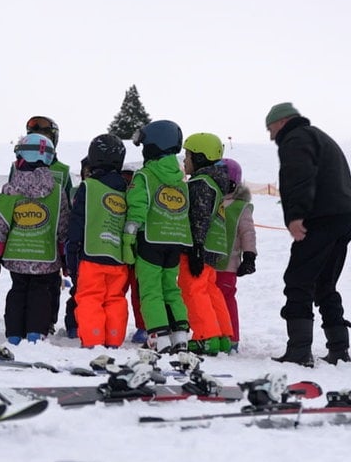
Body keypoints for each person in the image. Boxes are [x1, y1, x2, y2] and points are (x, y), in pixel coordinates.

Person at [265, 102, 351, 366]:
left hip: (321, 218)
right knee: (324, 283)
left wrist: (296, 215)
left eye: (271, 128)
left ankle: (299, 350)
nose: (271, 135)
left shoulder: (296, 138)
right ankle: (339, 348)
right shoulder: (318, 136)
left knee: (298, 279)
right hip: (344, 216)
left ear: (283, 122)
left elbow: (298, 176)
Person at [0, 133, 69, 344]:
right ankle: (36, 332)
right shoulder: (57, 191)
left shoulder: (10, 190)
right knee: (41, 292)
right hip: (45, 254)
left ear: (21, 158)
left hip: (17, 254)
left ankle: (14, 333)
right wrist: (64, 253)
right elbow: (62, 225)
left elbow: (1, 223)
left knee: (18, 290)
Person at [123, 120, 192, 352]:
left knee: (150, 290)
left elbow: (137, 208)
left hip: (150, 241)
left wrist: (128, 238)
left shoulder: (145, 176)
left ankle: (158, 337)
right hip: (174, 242)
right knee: (171, 289)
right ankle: (180, 336)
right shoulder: (181, 181)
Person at [66, 135, 130, 348]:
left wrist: (72, 252)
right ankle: (114, 338)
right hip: (118, 256)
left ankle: (93, 338)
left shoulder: (89, 187)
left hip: (90, 253)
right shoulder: (127, 190)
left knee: (90, 297)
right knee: (115, 298)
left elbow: (77, 222)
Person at [21, 116, 78, 338]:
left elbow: (69, 204)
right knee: (22, 282)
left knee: (51, 283)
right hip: (24, 235)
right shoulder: (17, 168)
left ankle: (46, 321)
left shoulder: (62, 170)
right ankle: (24, 320)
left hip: (52, 235)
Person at [178, 133, 235, 355]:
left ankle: (205, 335)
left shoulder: (200, 183)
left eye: (188, 155)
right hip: (215, 245)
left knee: (192, 289)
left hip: (199, 245)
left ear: (200, 157)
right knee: (210, 289)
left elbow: (199, 216)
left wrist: (196, 248)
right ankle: (222, 335)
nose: (184, 160)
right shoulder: (216, 182)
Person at [213, 157, 257, 352]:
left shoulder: (240, 207)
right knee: (210, 299)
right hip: (209, 261)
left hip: (228, 264)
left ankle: (231, 338)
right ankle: (213, 334)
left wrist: (249, 256)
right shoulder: (212, 200)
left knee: (226, 299)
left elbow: (248, 232)